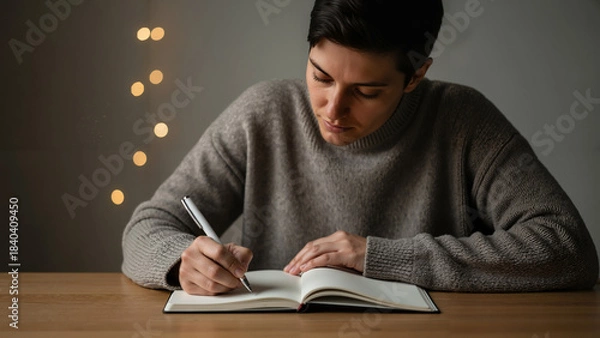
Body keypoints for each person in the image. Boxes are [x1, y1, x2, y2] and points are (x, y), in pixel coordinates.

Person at [122, 0, 598, 295]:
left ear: (416, 75)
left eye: (366, 92)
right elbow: (147, 227)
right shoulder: (263, 112)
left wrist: (383, 258)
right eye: (320, 76)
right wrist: (183, 261)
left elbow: (568, 248)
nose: (333, 108)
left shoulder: (463, 120)